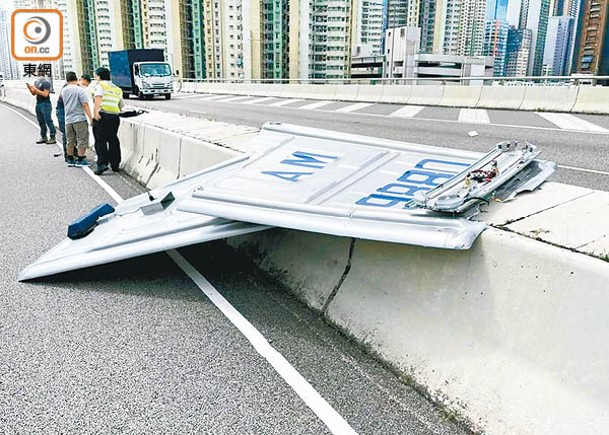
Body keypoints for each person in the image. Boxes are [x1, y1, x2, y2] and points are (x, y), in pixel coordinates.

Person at [92, 67, 124, 175]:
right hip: (114, 116)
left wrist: (95, 112)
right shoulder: (117, 88)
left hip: (102, 115)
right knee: (113, 139)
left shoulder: (100, 85)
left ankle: (102, 164)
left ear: (100, 76)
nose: (95, 78)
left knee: (100, 140)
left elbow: (98, 97)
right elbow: (121, 106)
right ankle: (115, 164)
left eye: (96, 75)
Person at [60, 71, 93, 166]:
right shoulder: (79, 90)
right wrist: (90, 118)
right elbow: (85, 104)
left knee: (70, 140)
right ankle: (81, 159)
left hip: (68, 119)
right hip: (79, 118)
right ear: (76, 78)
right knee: (82, 139)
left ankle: (70, 159)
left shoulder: (64, 90)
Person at [27, 72, 56, 144]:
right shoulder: (36, 82)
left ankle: (53, 137)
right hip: (38, 103)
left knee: (48, 120)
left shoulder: (46, 83)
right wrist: (30, 88)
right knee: (41, 121)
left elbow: (45, 94)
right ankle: (43, 137)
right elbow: (34, 93)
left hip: (45, 103)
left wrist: (36, 90)